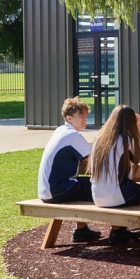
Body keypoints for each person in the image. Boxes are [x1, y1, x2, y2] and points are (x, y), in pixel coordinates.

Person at [89, 105, 140, 245]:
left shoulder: (99, 139)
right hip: (116, 196)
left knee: (139, 185)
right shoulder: (125, 140)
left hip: (98, 196)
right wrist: (138, 130)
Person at [36, 97, 102, 243]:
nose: (85, 118)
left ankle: (82, 230)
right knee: (104, 186)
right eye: (81, 115)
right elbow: (94, 160)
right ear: (69, 118)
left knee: (84, 183)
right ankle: (119, 230)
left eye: (86, 115)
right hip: (57, 189)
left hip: (47, 190)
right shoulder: (72, 135)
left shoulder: (61, 130)